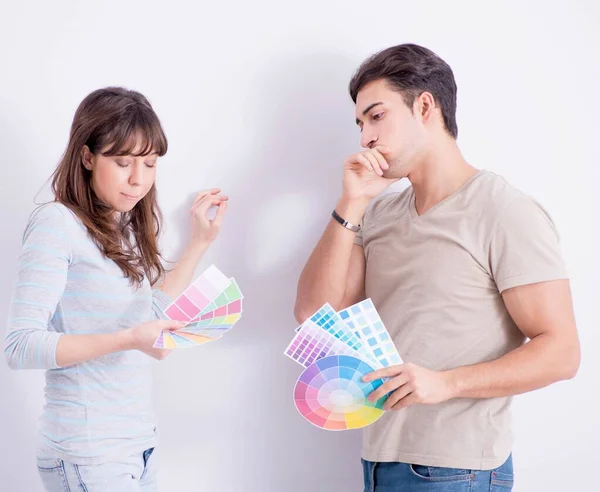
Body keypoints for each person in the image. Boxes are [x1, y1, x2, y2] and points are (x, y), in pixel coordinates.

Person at [294, 43, 580, 491]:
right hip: (378, 460)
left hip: (455, 470)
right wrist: (351, 201)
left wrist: (445, 384)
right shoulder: (379, 214)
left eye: (376, 115)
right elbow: (316, 315)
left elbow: (561, 353)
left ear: (425, 106)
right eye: (360, 124)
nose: (365, 137)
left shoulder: (503, 210)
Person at [4, 87, 228, 491]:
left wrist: (199, 244)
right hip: (87, 453)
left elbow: (148, 316)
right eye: (123, 162)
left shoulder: (122, 229)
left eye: (150, 163)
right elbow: (19, 346)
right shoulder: (58, 224)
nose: (138, 179)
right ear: (87, 157)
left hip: (139, 447)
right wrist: (128, 339)